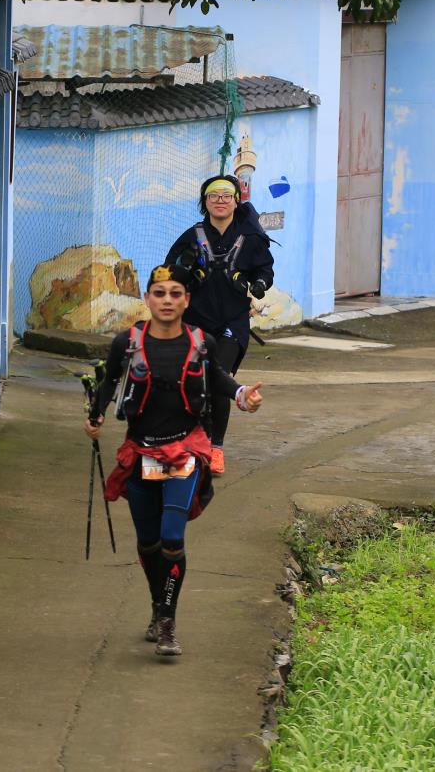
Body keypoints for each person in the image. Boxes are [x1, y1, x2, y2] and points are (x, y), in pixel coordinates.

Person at [86, 266, 265, 656]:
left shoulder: (202, 342)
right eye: (160, 293)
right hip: (140, 453)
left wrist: (242, 396)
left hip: (184, 452)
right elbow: (109, 382)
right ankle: (158, 606)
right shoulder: (126, 343)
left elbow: (218, 379)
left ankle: (167, 621)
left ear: (187, 300)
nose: (167, 301)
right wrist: (95, 416)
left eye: (175, 293)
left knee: (171, 538)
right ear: (147, 299)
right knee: (148, 543)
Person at [164, 174, 274, 475]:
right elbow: (168, 272)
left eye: (227, 195)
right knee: (193, 381)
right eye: (214, 196)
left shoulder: (250, 237)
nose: (220, 201)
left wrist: (259, 283)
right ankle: (189, 440)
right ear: (205, 202)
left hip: (232, 323)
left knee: (219, 378)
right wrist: (186, 270)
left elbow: (265, 269)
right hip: (195, 321)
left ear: (236, 201)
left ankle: (215, 449)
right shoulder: (193, 235)